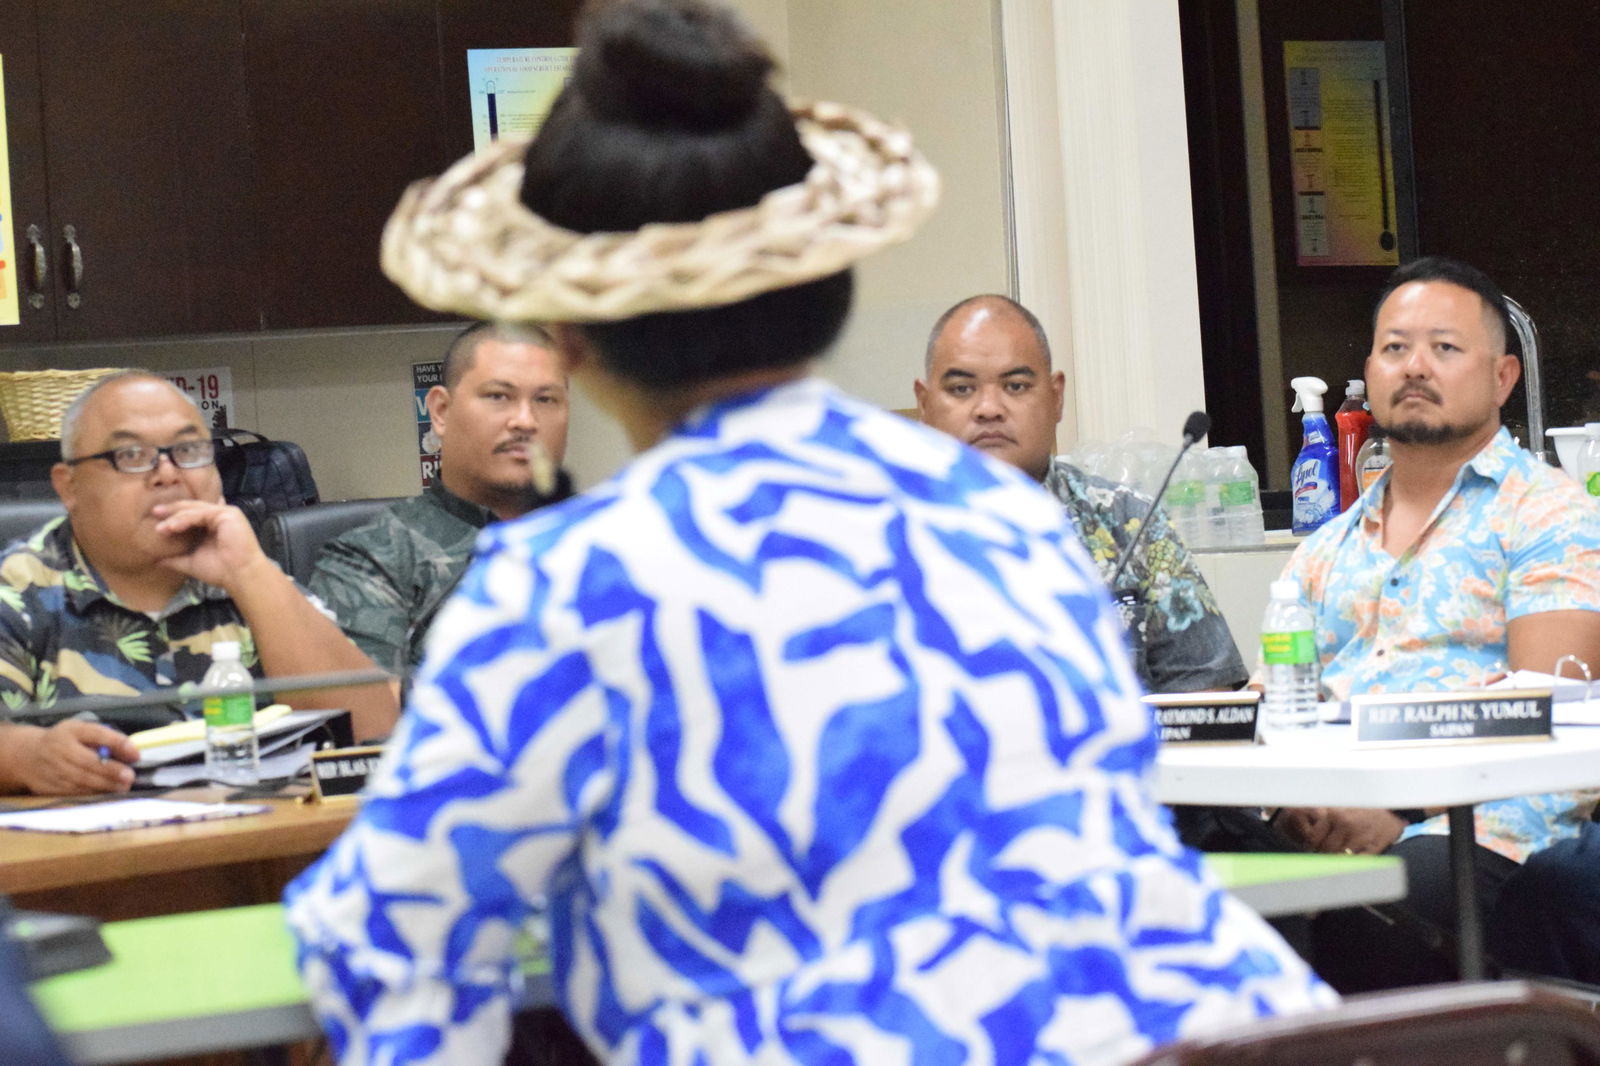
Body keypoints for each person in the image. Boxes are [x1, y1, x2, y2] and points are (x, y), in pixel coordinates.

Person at [286, 2, 1331, 1064]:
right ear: (828, 289)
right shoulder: (1013, 529)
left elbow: (391, 939)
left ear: (573, 344)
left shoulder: (564, 585)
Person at [1266, 256, 1600, 989]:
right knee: (1208, 906)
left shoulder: (1550, 514)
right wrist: (1304, 803)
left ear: (1504, 378)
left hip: (1495, 830)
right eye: (1395, 348)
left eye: (1445, 348)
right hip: (1344, 824)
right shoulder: (1323, 551)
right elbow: (1277, 710)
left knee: (1379, 910)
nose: (1415, 366)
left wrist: (1400, 803)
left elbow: (1542, 707)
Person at [0, 371, 398, 795]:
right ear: (69, 486)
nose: (167, 474)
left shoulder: (248, 574)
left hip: (258, 847)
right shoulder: (18, 589)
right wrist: (26, 756)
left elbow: (374, 733)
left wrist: (249, 573)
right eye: (132, 455)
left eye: (189, 450)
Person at [917, 294, 1247, 693]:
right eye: (962, 388)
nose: (989, 408)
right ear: (925, 403)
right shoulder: (876, 529)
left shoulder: (1129, 521)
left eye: (1016, 385)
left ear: (1056, 397)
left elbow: (1207, 699)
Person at [309, 322, 570, 672]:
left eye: (545, 399)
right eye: (498, 396)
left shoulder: (606, 540)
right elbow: (371, 721)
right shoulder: (375, 559)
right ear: (441, 412)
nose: (525, 420)